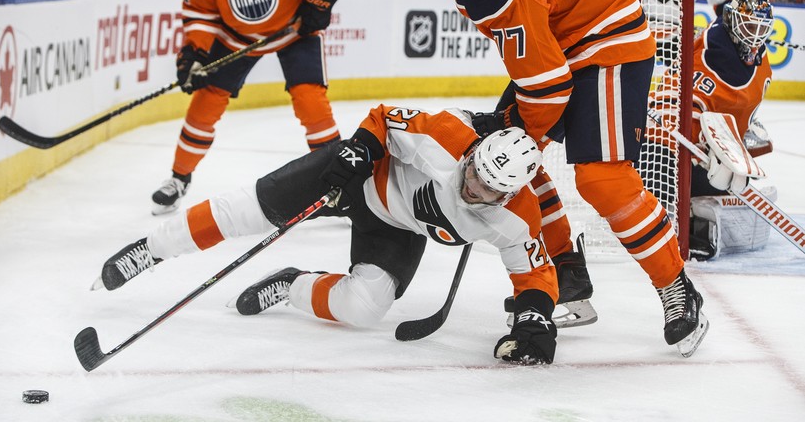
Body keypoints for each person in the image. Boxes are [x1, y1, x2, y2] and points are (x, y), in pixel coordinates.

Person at [411, 0, 708, 356]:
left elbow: (548, 89)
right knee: (509, 159)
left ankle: (677, 288)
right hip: (564, 37)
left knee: (600, 179)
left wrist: (516, 137)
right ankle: (568, 274)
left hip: (611, 41)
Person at [96, 104, 561, 365]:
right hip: (358, 177)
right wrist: (360, 149)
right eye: (475, 171)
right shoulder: (446, 134)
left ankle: (292, 283)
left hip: (397, 226)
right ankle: (152, 249)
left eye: (487, 188)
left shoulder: (517, 217)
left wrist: (534, 318)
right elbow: (384, 117)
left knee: (365, 307)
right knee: (248, 211)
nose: (471, 185)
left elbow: (534, 273)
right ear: (476, 151)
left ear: (510, 193)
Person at [151, 0, 347, 215]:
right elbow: (199, 13)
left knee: (310, 101)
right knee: (205, 102)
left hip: (294, 29)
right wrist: (194, 53)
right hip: (235, 36)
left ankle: (340, 183)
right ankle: (178, 178)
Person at [651, 0, 775, 260]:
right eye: (749, 26)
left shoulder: (758, 58)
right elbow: (666, 113)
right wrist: (701, 149)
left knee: (738, 178)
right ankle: (672, 226)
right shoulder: (705, 57)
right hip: (664, 152)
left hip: (702, 151)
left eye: (760, 27)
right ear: (731, 21)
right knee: (668, 173)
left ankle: (695, 210)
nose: (755, 36)